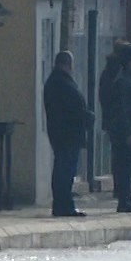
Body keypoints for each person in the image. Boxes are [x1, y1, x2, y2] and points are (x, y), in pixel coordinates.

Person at [43, 51, 92, 217]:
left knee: (65, 171)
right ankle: (63, 205)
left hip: (64, 133)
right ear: (65, 64)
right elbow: (71, 109)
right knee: (64, 172)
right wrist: (86, 116)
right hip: (66, 134)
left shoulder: (58, 82)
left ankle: (63, 204)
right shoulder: (60, 83)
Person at [99, 43, 131, 213]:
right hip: (125, 130)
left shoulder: (129, 78)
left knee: (127, 166)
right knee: (125, 166)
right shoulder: (123, 80)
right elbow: (123, 108)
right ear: (129, 61)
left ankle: (126, 200)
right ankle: (125, 201)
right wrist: (128, 132)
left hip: (129, 128)